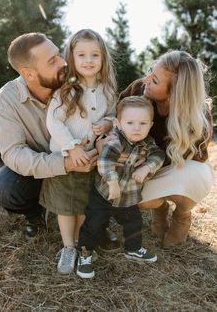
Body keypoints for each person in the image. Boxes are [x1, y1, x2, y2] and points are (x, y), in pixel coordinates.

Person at [0, 32, 98, 238]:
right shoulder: (6, 99)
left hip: (86, 161)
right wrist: (64, 164)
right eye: (52, 61)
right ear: (28, 74)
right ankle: (35, 214)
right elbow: (13, 153)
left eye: (58, 55)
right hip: (42, 169)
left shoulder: (78, 81)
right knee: (1, 188)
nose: (64, 62)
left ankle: (96, 219)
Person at [39, 29, 117, 275]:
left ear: (103, 58)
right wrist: (71, 147)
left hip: (92, 161)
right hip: (67, 159)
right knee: (65, 205)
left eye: (95, 55)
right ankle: (68, 246)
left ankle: (81, 242)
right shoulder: (66, 90)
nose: (88, 60)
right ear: (71, 58)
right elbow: (54, 122)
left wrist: (108, 123)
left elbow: (114, 116)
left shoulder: (107, 90)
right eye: (81, 54)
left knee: (84, 205)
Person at [119, 50, 214, 247]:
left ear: (173, 93)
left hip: (177, 169)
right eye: (150, 72)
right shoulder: (138, 90)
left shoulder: (198, 118)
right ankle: (159, 208)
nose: (145, 80)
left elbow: (197, 161)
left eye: (154, 81)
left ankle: (182, 214)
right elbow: (117, 118)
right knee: (138, 199)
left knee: (196, 175)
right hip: (141, 167)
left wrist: (151, 164)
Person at [76, 96, 165, 279]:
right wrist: (112, 182)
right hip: (104, 195)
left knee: (134, 223)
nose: (136, 128)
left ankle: (133, 249)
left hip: (128, 196)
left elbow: (158, 155)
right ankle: (85, 254)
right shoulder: (114, 141)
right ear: (118, 123)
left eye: (143, 123)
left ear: (151, 124)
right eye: (130, 122)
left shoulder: (147, 142)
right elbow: (104, 162)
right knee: (93, 224)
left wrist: (148, 167)